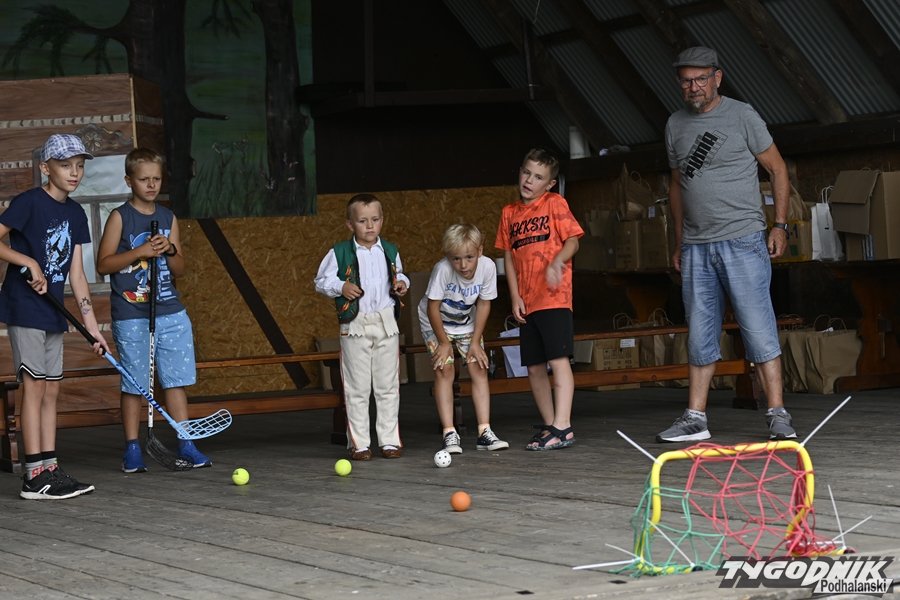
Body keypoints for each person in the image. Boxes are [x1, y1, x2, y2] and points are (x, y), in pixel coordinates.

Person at [657, 46, 796, 443]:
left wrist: (780, 226)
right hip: (697, 247)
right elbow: (676, 185)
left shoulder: (742, 115)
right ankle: (695, 419)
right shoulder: (675, 124)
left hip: (743, 240)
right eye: (686, 81)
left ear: (717, 78)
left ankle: (777, 414)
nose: (694, 87)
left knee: (758, 328)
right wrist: (679, 241)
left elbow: (777, 168)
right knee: (699, 333)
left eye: (701, 79)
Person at [0, 133, 110, 499]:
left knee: (51, 389)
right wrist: (28, 262)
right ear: (46, 169)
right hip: (25, 306)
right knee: (33, 386)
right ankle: (33, 476)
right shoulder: (29, 202)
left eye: (79, 166)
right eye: (65, 166)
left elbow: (77, 275)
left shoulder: (75, 213)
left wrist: (92, 328)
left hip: (52, 310)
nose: (74, 172)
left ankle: (49, 467)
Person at [96, 148, 211, 471]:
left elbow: (180, 269)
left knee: (175, 379)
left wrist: (170, 249)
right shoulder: (120, 217)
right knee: (135, 382)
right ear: (128, 181)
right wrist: (140, 252)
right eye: (143, 179)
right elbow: (103, 264)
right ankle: (132, 447)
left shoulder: (168, 217)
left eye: (156, 179)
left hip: (169, 310)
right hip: (132, 311)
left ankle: (186, 442)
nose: (151, 185)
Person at [495, 148, 583, 451]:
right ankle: (550, 425)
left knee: (558, 360)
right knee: (533, 366)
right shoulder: (509, 213)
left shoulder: (555, 203)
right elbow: (509, 257)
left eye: (538, 177)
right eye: (526, 173)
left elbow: (573, 241)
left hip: (554, 298)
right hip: (528, 300)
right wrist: (515, 296)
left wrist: (558, 261)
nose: (529, 180)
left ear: (550, 184)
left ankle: (563, 425)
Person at [314, 193, 409, 460]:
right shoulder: (339, 252)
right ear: (350, 224)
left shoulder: (390, 250)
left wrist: (403, 283)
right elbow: (320, 281)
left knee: (388, 385)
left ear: (382, 220)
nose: (370, 226)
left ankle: (389, 441)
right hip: (355, 323)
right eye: (362, 221)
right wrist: (341, 286)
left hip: (385, 322)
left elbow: (399, 273)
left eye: (375, 220)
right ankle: (360, 443)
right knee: (357, 387)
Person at [419, 223, 509, 454]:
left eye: (469, 257)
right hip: (436, 322)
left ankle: (484, 431)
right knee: (445, 369)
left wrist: (476, 342)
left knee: (478, 367)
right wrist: (444, 343)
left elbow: (484, 303)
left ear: (480, 251)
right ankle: (449, 433)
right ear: (448, 257)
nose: (463, 265)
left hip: (466, 321)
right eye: (456, 259)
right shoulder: (442, 270)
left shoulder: (487, 267)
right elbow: (432, 308)